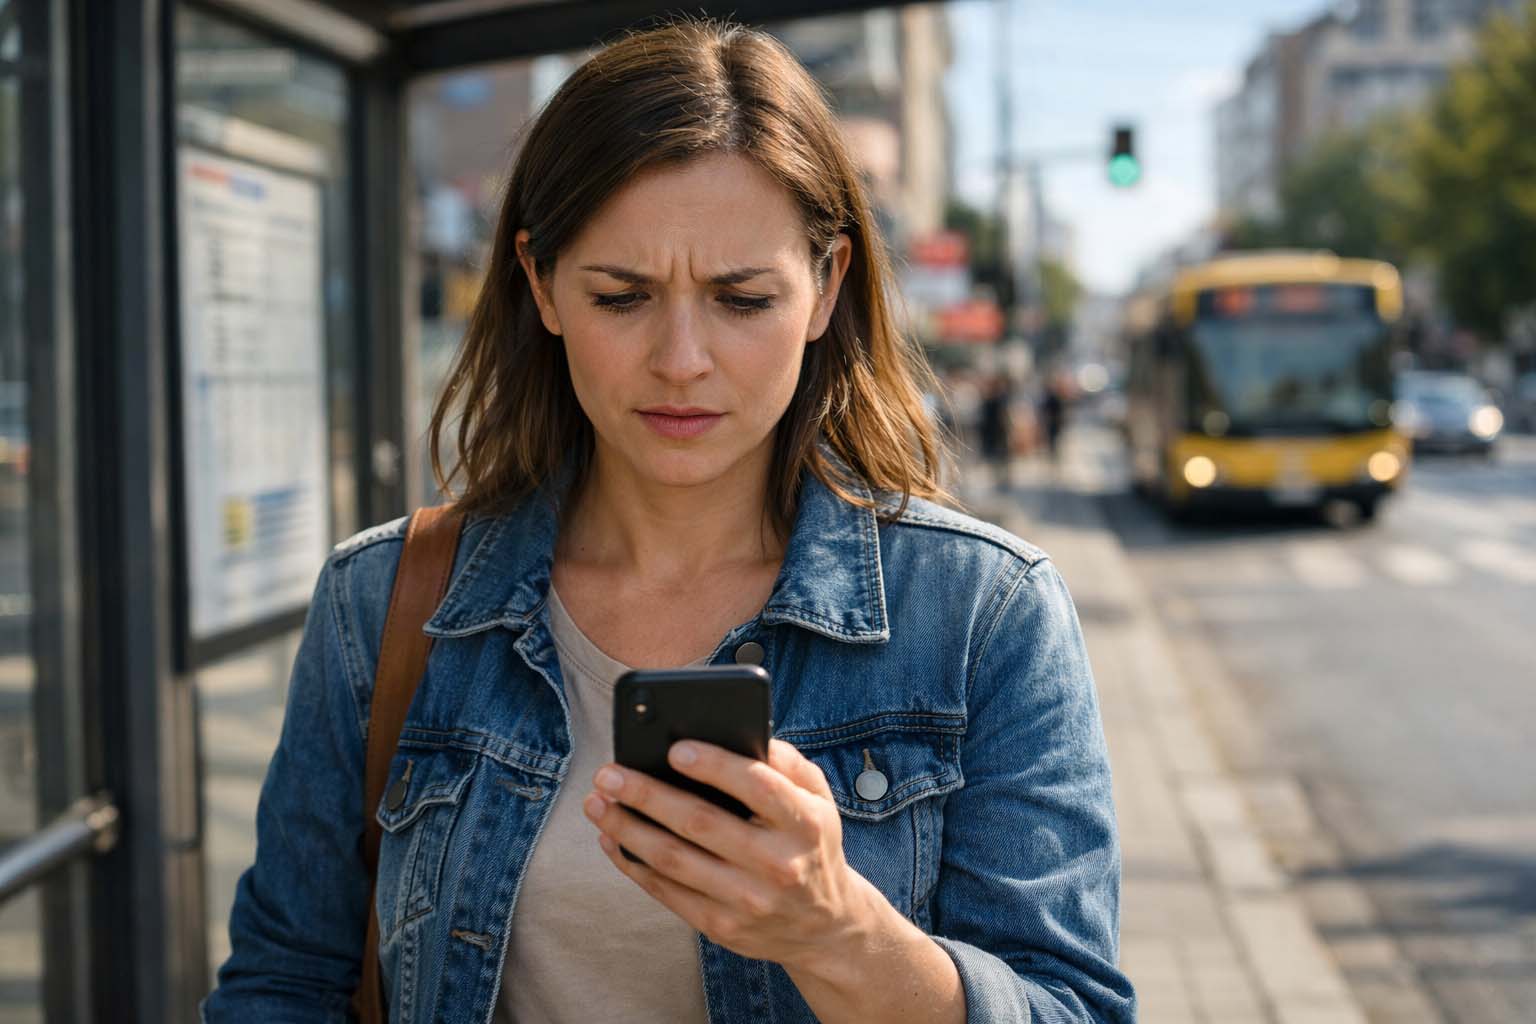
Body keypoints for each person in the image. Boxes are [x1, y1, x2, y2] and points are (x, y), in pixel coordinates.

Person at [203, 19, 1132, 1024]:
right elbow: (283, 983)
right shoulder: (381, 602)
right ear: (540, 283)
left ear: (825, 286)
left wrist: (834, 931)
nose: (681, 357)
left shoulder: (985, 614)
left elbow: (1071, 1005)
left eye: (741, 298)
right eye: (623, 295)